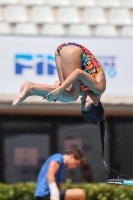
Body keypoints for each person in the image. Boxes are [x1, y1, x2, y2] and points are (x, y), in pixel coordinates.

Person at [12, 42, 106, 162]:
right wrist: (60, 90)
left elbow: (60, 83)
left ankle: (31, 90)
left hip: (60, 52)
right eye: (84, 103)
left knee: (67, 95)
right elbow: (78, 73)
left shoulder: (85, 92)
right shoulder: (99, 88)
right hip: (73, 50)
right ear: (96, 103)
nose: (82, 100)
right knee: (71, 96)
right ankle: (31, 87)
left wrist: (57, 93)